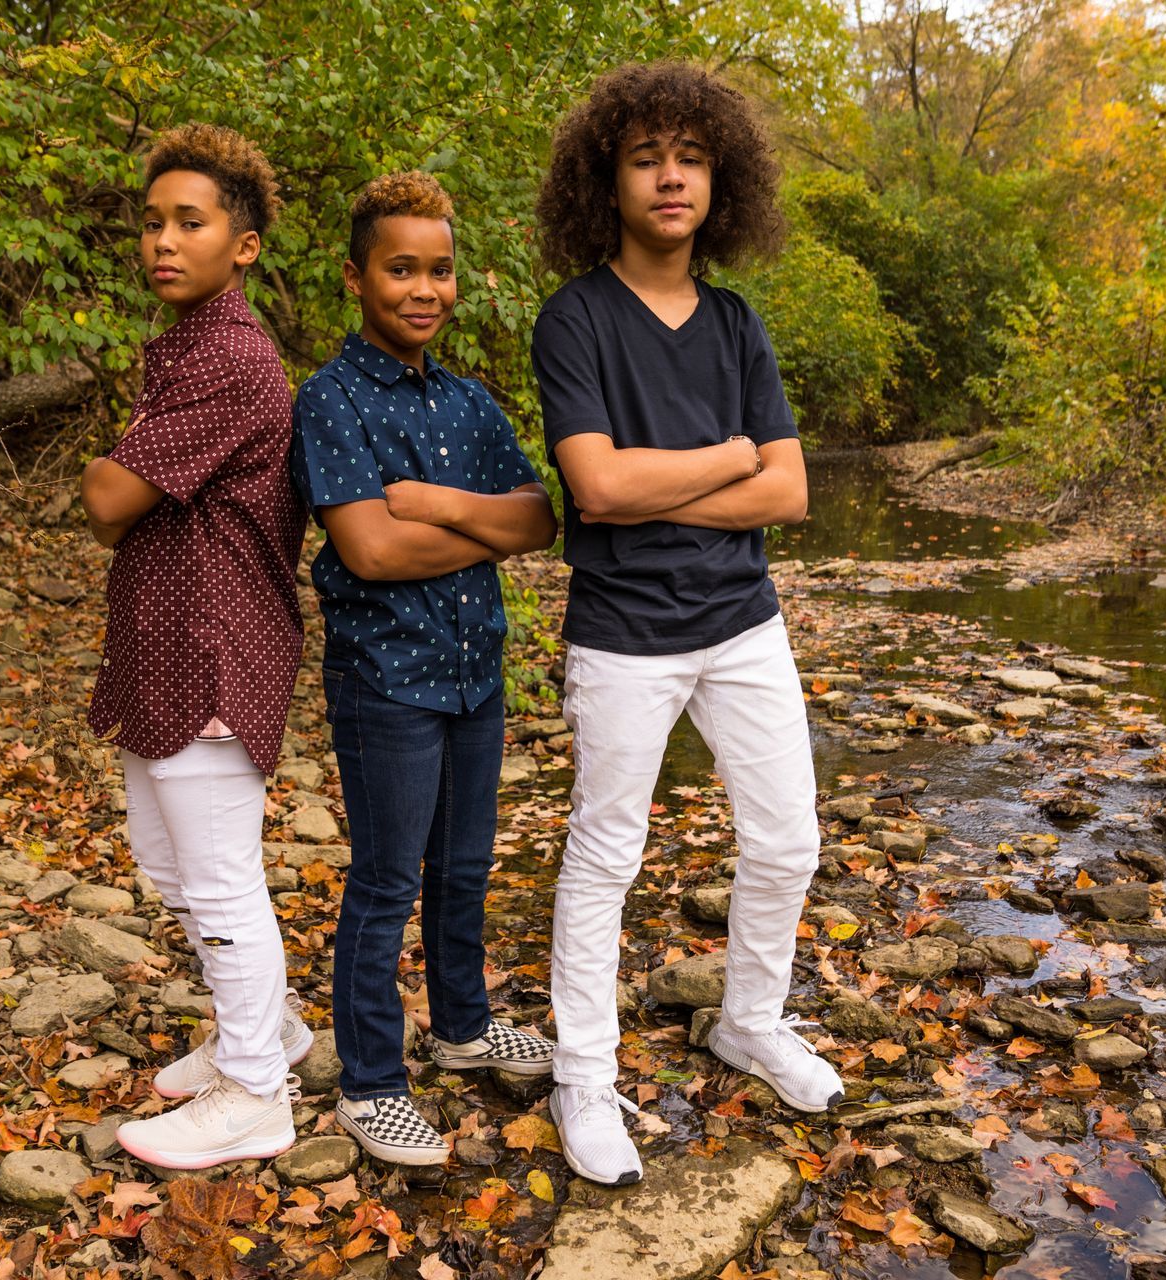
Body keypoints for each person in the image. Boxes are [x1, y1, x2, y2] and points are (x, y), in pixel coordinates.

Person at [529, 62, 845, 1187]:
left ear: (722, 178)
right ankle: (583, 1075)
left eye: (692, 156)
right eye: (646, 156)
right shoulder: (575, 321)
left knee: (789, 839)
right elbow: (597, 491)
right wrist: (723, 458)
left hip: (743, 621)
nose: (671, 176)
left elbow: (790, 493)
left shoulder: (736, 322)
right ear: (604, 178)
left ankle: (748, 1021)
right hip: (623, 634)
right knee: (606, 853)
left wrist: (661, 478)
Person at [291, 172, 559, 1166]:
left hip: (471, 674)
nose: (424, 288)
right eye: (402, 268)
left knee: (464, 868)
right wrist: (478, 526)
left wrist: (440, 507)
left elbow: (537, 517)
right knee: (386, 877)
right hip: (385, 680)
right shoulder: (331, 399)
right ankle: (369, 1082)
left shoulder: (466, 399)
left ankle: (463, 1026)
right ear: (357, 276)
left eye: (440, 270)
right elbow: (367, 551)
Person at [79, 123, 311, 1170]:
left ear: (244, 244)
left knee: (217, 877)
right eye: (153, 221)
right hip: (162, 638)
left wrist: (106, 468)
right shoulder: (184, 346)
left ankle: (259, 1090)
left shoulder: (228, 356)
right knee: (170, 863)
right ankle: (269, 1029)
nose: (163, 240)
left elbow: (107, 497)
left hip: (213, 642)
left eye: (191, 221)